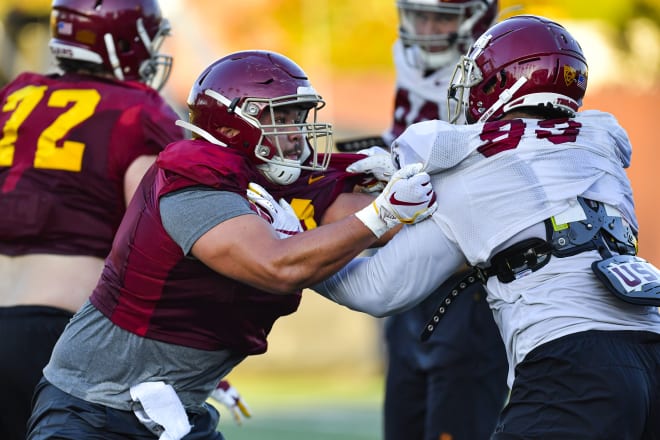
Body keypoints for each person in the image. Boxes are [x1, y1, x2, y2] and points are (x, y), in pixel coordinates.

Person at [25, 49, 437, 440]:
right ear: (239, 122)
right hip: (92, 408)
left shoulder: (273, 183)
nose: (299, 133)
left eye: (300, 115)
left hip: (172, 403)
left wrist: (437, 192)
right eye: (286, 117)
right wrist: (383, 211)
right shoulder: (193, 181)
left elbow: (398, 220)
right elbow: (278, 266)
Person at [315, 15, 660, 439]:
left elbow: (377, 288)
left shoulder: (470, 167)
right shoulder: (599, 143)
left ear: (499, 84)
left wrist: (297, 257)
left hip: (572, 365)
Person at [0, 1, 184, 439]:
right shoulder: (139, 110)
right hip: (66, 335)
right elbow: (156, 235)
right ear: (123, 41)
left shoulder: (15, 96)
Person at [348, 1, 508, 439]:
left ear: (475, 18)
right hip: (413, 281)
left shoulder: (499, 77)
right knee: (404, 421)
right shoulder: (414, 66)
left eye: (442, 16)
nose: (428, 28)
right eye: (420, 14)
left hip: (465, 283)